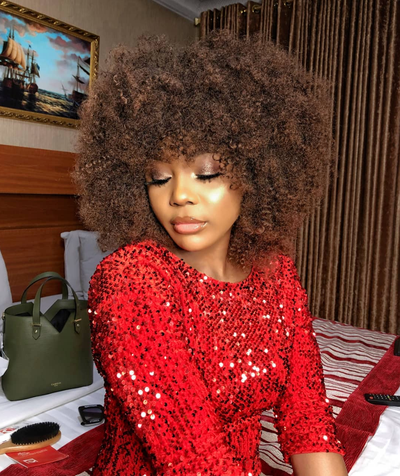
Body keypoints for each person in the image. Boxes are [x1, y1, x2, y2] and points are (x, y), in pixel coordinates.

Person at [74, 31, 348, 476]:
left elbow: (308, 421)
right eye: (159, 177)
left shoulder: (276, 274)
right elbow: (194, 460)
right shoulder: (129, 281)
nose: (179, 195)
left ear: (257, 173)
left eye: (207, 173)